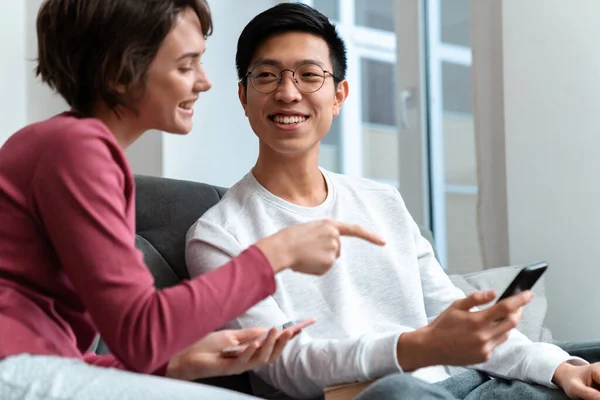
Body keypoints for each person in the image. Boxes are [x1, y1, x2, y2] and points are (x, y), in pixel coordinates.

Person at [186, 3, 600, 400]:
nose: (288, 92)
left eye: (310, 75)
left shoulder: (382, 201)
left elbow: (453, 315)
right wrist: (414, 347)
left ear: (339, 95)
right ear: (243, 95)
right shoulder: (219, 235)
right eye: (267, 76)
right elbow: (285, 366)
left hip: (465, 386)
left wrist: (560, 367)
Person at [0, 1, 387, 399]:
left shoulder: (72, 147)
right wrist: (276, 253)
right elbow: (141, 334)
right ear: (120, 71)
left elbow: (74, 356)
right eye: (186, 66)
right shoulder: (76, 149)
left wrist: (177, 364)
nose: (204, 82)